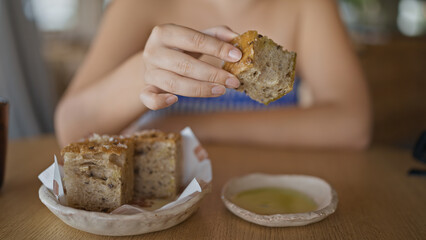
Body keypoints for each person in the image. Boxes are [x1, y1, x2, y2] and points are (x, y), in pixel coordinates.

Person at [55, 0, 371, 149]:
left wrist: (186, 126)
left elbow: (353, 124)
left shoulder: (308, 6)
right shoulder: (137, 6)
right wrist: (143, 71)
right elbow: (71, 127)